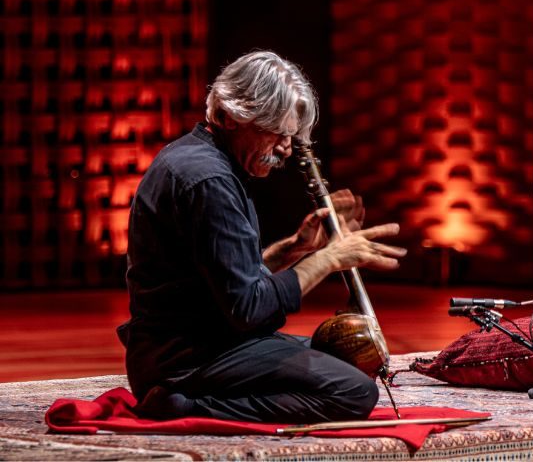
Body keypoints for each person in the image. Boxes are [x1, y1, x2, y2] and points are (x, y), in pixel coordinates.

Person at [117, 50, 407, 422]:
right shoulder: (210, 181)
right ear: (231, 116)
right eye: (278, 133)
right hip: (186, 360)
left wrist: (294, 248)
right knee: (354, 391)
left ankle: (187, 398)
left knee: (342, 356)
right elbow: (249, 309)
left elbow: (226, 280)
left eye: (291, 136)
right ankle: (185, 406)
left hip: (200, 342)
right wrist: (328, 259)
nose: (286, 149)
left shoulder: (198, 160)